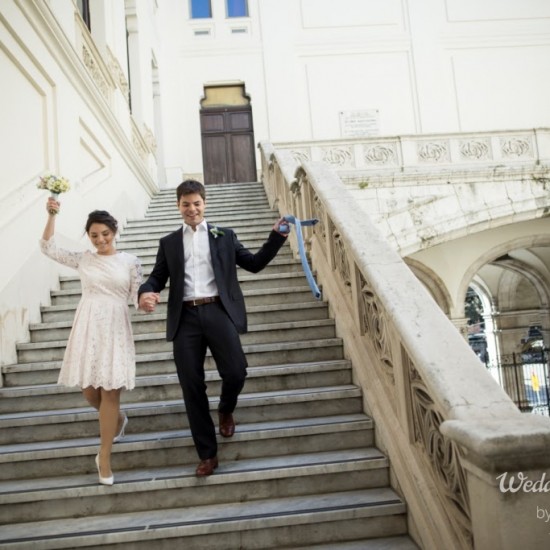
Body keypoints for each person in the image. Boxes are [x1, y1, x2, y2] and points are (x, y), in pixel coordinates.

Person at [138, 179, 288, 477]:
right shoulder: (168, 243)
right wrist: (146, 291)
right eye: (185, 204)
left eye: (196, 203)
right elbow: (158, 277)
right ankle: (207, 455)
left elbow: (254, 264)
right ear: (178, 207)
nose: (191, 209)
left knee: (236, 372)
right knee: (191, 386)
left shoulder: (224, 236)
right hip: (186, 318)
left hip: (219, 310)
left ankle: (225, 407)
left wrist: (276, 237)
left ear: (204, 204)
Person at [40, 197, 142, 486]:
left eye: (105, 234)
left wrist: (147, 300)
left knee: (110, 390)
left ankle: (104, 456)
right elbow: (48, 248)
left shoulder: (131, 262)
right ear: (89, 236)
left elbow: (136, 296)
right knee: (89, 392)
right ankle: (117, 420)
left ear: (115, 231)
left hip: (114, 325)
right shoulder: (84, 258)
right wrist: (51, 215)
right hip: (87, 325)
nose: (100, 240)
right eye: (95, 235)